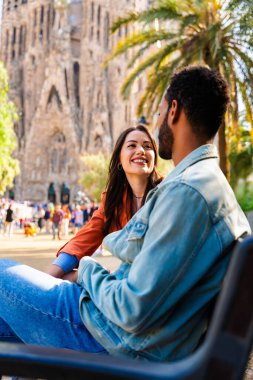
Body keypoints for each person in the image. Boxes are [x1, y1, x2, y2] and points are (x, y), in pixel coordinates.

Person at [0, 66, 251, 363]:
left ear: (173, 111)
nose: (155, 125)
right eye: (132, 145)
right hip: (125, 333)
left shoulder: (188, 192)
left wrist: (88, 271)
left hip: (112, 339)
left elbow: (132, 309)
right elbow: (98, 238)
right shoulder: (199, 183)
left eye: (157, 115)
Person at [48, 124, 161, 279]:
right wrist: (53, 272)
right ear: (119, 160)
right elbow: (87, 236)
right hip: (127, 284)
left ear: (154, 157)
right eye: (132, 145)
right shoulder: (113, 200)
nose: (141, 150)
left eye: (147, 146)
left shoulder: (168, 193)